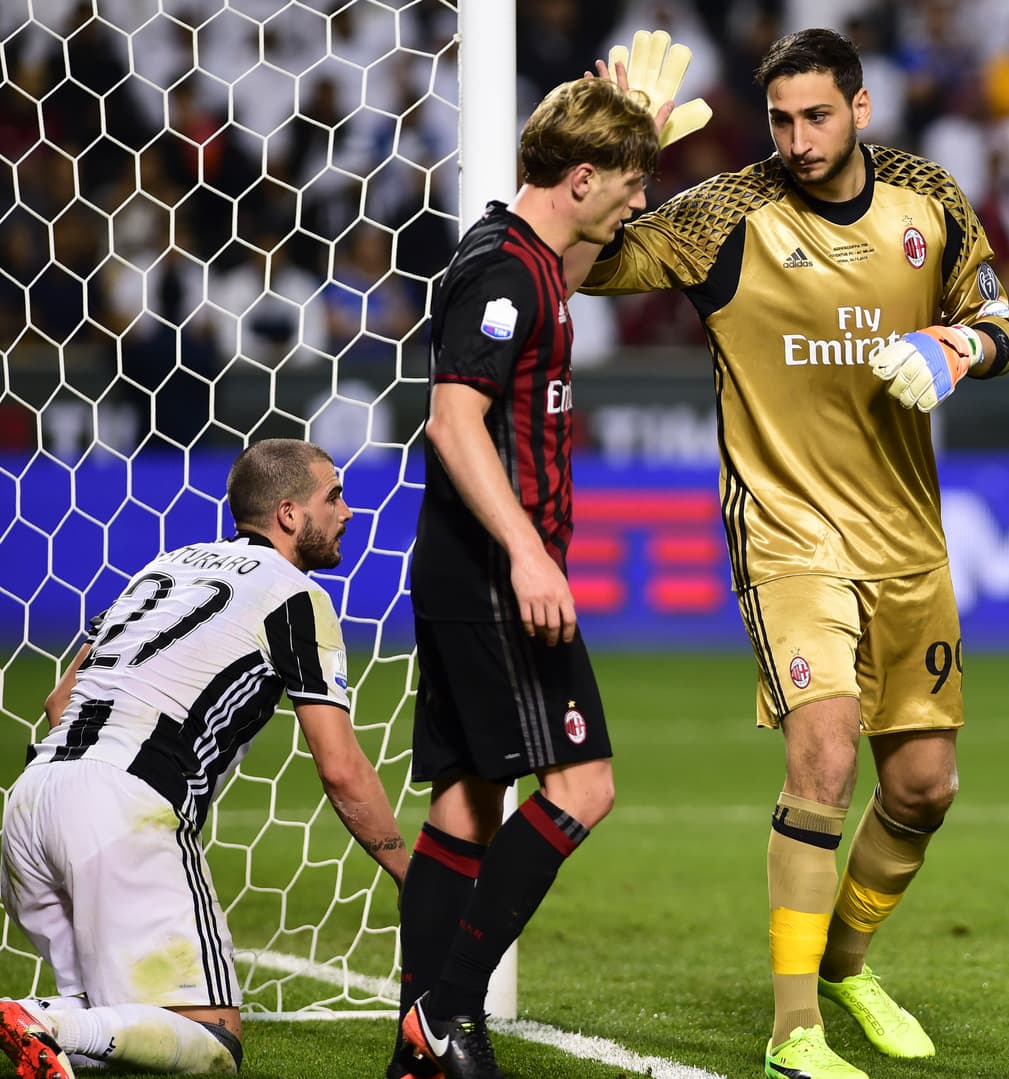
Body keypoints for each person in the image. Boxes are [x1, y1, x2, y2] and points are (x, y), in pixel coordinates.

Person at [569, 28, 1009, 1079]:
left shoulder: (928, 198)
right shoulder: (730, 211)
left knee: (922, 785)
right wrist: (603, 153)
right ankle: (790, 1030)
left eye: (816, 115)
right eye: (779, 118)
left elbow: (993, 318)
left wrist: (957, 346)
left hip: (905, 536)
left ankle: (844, 966)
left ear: (860, 108)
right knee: (820, 752)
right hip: (787, 531)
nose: (796, 138)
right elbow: (586, 262)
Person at [389, 76, 662, 1079]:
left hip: (472, 570)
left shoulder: (532, 256)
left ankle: (414, 1050)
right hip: (497, 574)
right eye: (628, 184)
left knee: (467, 805)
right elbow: (453, 420)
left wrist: (640, 125)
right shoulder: (502, 276)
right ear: (580, 176)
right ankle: (445, 1013)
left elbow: (582, 251)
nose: (638, 205)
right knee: (582, 784)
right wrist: (527, 549)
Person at [0, 438, 408, 1079]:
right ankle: (44, 1020)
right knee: (213, 1042)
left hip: (31, 800)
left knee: (107, 1029)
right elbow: (340, 766)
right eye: (333, 495)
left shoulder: (164, 567)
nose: (348, 512)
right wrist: (408, 870)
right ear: (289, 514)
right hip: (121, 804)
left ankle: (46, 1018)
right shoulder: (295, 596)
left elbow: (58, 700)